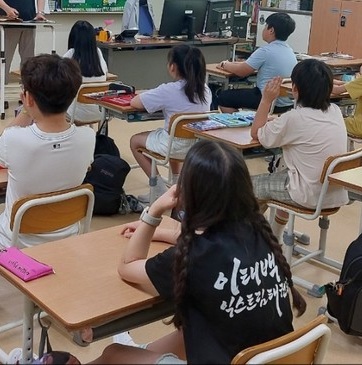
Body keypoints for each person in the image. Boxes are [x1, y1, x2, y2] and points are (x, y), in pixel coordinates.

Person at [89, 141, 307, 365]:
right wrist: (162, 233)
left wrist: (154, 212)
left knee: (114, 354)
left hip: (237, 360)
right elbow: (210, 240)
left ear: (188, 192)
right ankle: (143, 352)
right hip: (276, 357)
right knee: (188, 334)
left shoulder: (193, 258)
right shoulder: (258, 230)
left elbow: (128, 266)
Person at [0, 54, 95, 285]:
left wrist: (24, 111)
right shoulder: (88, 137)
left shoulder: (14, 139)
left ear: (27, 98)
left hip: (16, 241)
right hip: (67, 233)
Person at [250, 59, 349, 235]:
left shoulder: (294, 119)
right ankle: (273, 236)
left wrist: (266, 100)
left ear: (295, 89)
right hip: (333, 192)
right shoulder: (335, 111)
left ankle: (250, 242)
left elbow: (256, 132)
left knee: (247, 186)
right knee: (281, 176)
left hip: (306, 194)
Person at [129, 45, 211, 203]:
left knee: (135, 141)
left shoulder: (168, 90)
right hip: (196, 145)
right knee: (171, 136)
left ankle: (158, 188)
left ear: (173, 67)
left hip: (172, 145)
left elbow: (135, 102)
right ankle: (176, 186)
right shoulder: (205, 90)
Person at [215, 12, 297, 113]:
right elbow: (246, 65)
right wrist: (234, 64)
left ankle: (240, 125)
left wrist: (224, 64)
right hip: (287, 102)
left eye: (265, 26)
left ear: (271, 30)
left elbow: (242, 71)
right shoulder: (289, 50)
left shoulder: (266, 51)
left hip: (268, 99)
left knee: (224, 97)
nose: (263, 29)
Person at [63, 20, 108, 124]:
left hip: (74, 113)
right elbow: (106, 72)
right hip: (100, 111)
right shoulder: (98, 52)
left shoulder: (70, 54)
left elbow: (55, 75)